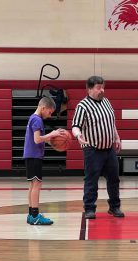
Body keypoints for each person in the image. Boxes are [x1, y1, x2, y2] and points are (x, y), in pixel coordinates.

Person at [71, 76, 125, 219]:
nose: (102, 90)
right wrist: (78, 135)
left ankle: (114, 207)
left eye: (102, 87)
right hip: (93, 150)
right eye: (98, 88)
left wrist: (117, 137)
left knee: (114, 180)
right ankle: (89, 208)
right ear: (89, 89)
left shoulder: (106, 101)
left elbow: (111, 122)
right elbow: (75, 126)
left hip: (109, 149)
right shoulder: (82, 106)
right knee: (91, 180)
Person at [23, 97, 65, 225]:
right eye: (50, 112)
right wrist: (52, 134)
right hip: (34, 157)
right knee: (37, 185)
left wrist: (52, 141)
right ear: (43, 108)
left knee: (32, 185)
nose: (50, 115)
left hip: (30, 156)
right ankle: (35, 216)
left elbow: (39, 139)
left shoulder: (32, 118)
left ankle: (31, 214)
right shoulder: (37, 120)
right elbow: (37, 139)